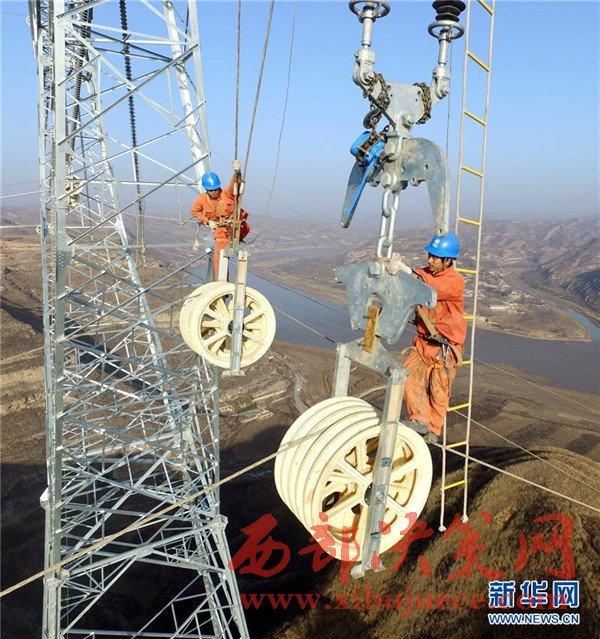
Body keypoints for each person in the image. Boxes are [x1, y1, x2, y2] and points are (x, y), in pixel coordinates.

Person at [396, 232, 467, 444]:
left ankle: (433, 430)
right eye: (430, 255)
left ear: (448, 260)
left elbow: (428, 288)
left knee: (438, 391)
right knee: (407, 376)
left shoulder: (455, 281)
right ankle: (419, 419)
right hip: (424, 342)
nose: (430, 260)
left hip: (445, 348)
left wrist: (407, 272)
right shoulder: (426, 273)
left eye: (436, 257)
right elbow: (416, 279)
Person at [190, 159, 250, 279]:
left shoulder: (227, 194)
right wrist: (208, 221)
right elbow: (194, 210)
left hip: (237, 226)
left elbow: (235, 186)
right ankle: (222, 282)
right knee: (219, 254)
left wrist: (237, 173)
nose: (214, 192)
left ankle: (237, 241)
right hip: (221, 229)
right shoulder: (202, 200)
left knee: (242, 230)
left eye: (216, 189)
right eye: (211, 190)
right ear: (206, 190)